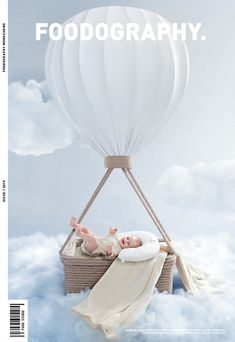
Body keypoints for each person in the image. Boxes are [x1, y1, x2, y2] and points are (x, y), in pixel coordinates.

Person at [69, 217, 142, 260]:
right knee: (87, 230)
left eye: (128, 243)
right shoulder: (117, 237)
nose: (126, 240)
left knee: (94, 240)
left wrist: (109, 251)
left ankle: (79, 234)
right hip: (90, 240)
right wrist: (111, 232)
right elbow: (109, 236)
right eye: (128, 238)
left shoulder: (118, 250)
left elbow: (110, 257)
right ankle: (75, 225)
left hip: (92, 249)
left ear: (127, 249)